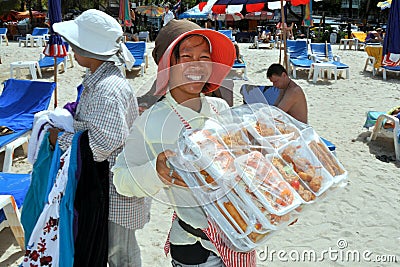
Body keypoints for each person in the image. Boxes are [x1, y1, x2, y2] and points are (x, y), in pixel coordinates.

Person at [112, 19, 257, 266]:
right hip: (197, 249)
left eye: (204, 57)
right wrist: (156, 172)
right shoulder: (152, 121)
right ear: (169, 64)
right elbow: (121, 180)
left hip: (239, 237)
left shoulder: (220, 108)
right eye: (186, 56)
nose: (197, 65)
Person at [50, 9, 151, 266]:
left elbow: (100, 146)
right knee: (115, 250)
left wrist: (58, 139)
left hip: (116, 190)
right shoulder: (100, 80)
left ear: (89, 50)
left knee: (120, 253)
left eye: (76, 44)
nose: (72, 48)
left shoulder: (107, 90)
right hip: (109, 183)